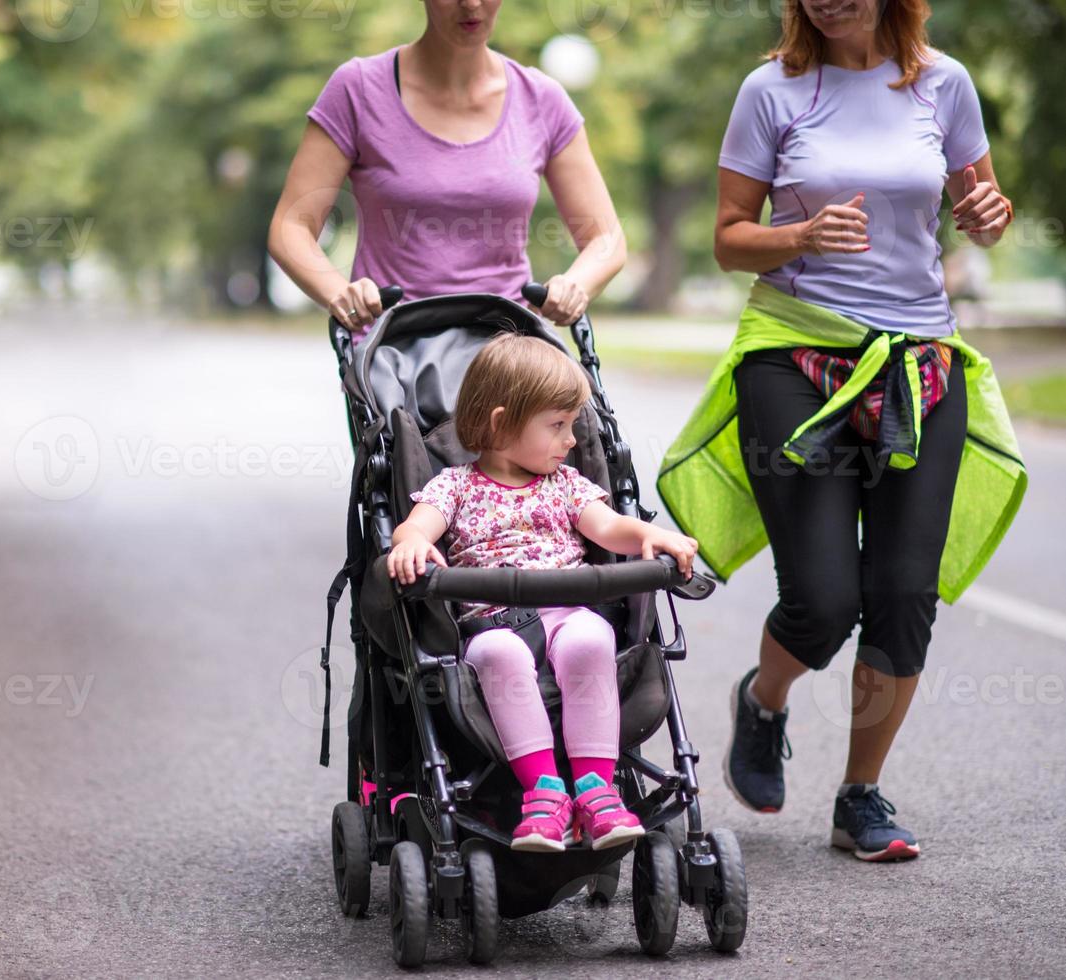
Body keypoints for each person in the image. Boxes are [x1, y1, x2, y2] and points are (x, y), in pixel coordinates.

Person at [657, 0, 1027, 863]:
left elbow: (983, 203)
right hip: (795, 354)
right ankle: (765, 701)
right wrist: (799, 235)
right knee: (822, 601)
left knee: (902, 593)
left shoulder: (945, 85)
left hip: (918, 362)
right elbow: (726, 241)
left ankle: (859, 796)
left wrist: (990, 217)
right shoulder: (770, 91)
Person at [388, 333, 698, 852]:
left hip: (566, 609)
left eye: (573, 424)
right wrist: (410, 543)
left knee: (590, 640)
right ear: (501, 423)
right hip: (493, 619)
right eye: (557, 426)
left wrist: (649, 534)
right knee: (496, 653)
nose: (571, 439)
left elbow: (609, 527)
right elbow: (415, 527)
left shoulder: (567, 484)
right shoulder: (455, 486)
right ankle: (545, 792)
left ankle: (597, 790)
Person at [266, 0, 625, 337]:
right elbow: (292, 225)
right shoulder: (357, 89)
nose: (470, 4)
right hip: (394, 358)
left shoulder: (542, 99)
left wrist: (575, 285)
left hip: (509, 354)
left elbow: (605, 238)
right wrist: (338, 292)